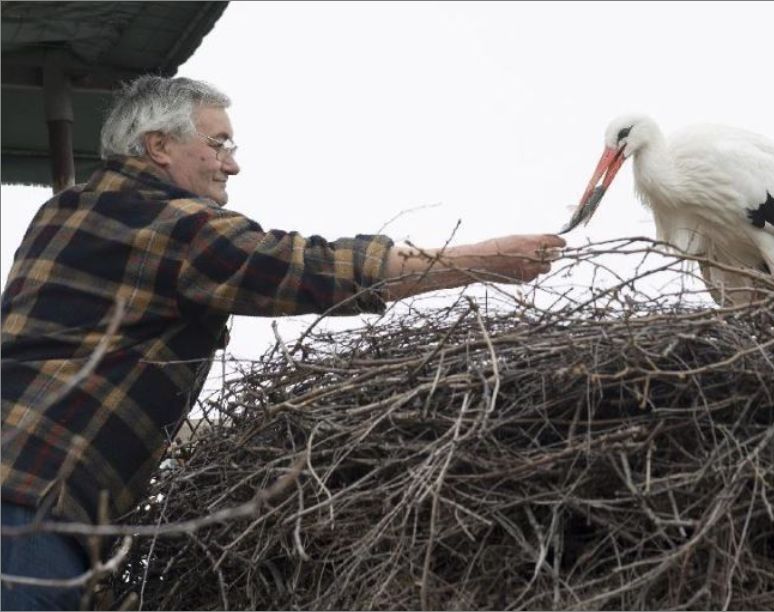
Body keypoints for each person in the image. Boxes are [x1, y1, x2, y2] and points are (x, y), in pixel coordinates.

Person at [0, 75, 565, 610]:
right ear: (159, 146)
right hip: (29, 507)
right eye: (218, 144)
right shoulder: (170, 226)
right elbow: (303, 268)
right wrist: (481, 260)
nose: (232, 164)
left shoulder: (64, 212)